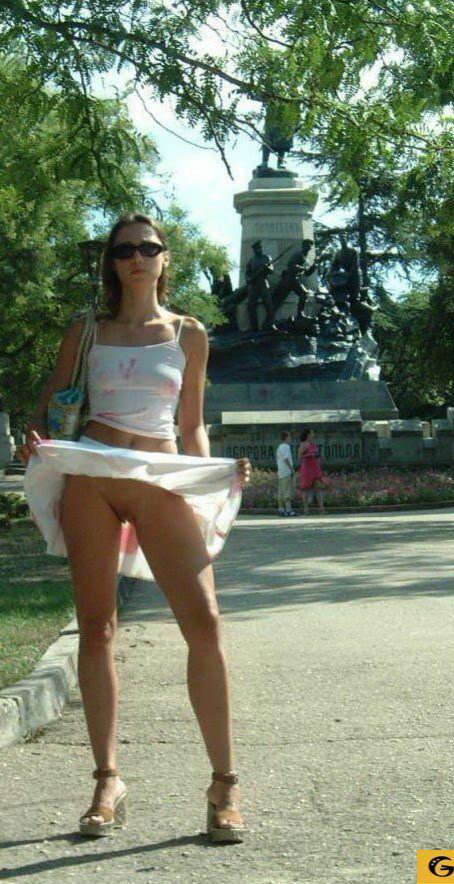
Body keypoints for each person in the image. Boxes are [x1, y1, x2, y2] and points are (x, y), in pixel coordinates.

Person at [18, 212, 251, 844]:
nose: (136, 258)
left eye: (148, 248)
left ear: (165, 257)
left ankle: (224, 784)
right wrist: (37, 438)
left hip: (159, 476)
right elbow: (52, 405)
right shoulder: (86, 331)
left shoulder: (188, 332)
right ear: (112, 262)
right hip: (91, 474)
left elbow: (192, 422)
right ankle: (107, 780)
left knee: (203, 624)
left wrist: (210, 477)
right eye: (124, 250)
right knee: (96, 627)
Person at [297, 428, 325, 513]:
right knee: (305, 488)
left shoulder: (313, 444)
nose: (313, 434)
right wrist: (309, 455)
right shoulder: (304, 445)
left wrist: (318, 458)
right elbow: (299, 456)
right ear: (308, 434)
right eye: (312, 433)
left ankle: (321, 508)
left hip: (315, 468)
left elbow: (317, 455)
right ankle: (306, 509)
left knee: (318, 487)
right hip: (307, 469)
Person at [276, 430, 296, 517]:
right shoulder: (286, 447)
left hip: (281, 472)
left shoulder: (279, 447)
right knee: (287, 491)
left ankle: (281, 509)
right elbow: (286, 459)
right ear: (286, 437)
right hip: (286, 472)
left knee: (281, 492)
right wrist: (291, 469)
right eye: (289, 436)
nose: (291, 438)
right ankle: (289, 510)